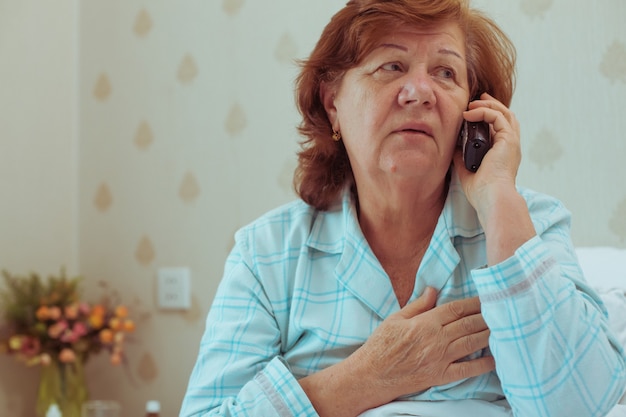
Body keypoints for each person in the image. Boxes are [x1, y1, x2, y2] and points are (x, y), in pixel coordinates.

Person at [180, 0, 626, 416]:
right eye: (391, 66)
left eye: (446, 73)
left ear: (473, 112)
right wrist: (367, 377)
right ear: (332, 103)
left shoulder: (530, 224)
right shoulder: (266, 254)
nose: (420, 91)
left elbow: (581, 406)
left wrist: (498, 200)